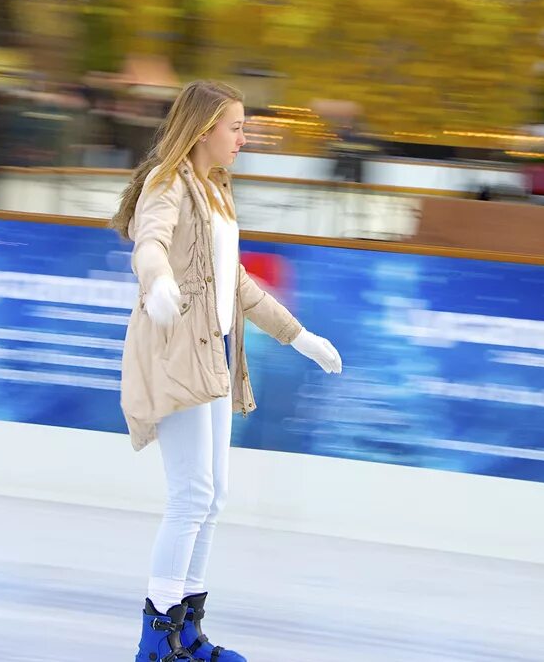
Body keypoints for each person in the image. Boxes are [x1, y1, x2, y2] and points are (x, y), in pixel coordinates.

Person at [109, 80, 343, 662]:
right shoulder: (169, 182)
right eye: (235, 126)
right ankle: (155, 642)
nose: (244, 137)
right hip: (176, 352)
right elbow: (149, 242)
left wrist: (300, 337)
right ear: (204, 128)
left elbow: (237, 285)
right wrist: (157, 282)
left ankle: (187, 633)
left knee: (213, 497)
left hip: (214, 353)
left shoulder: (215, 191)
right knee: (191, 495)